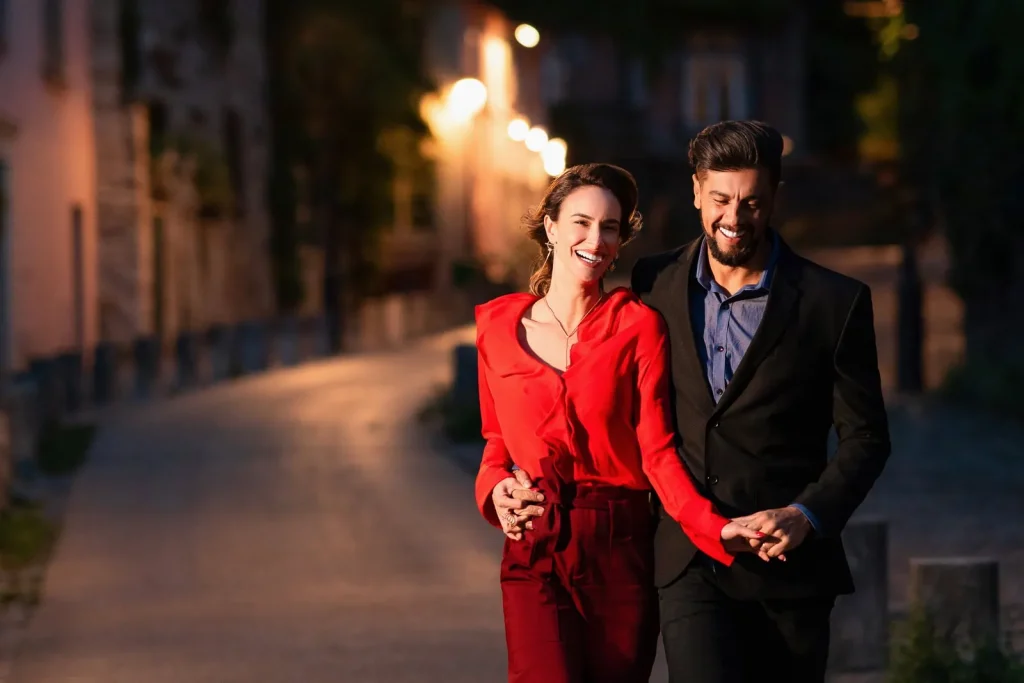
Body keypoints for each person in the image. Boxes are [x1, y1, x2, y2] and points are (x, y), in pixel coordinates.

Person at [473, 163, 771, 683]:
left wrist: (714, 528)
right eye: (581, 223)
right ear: (551, 228)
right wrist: (494, 489)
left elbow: (656, 453)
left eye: (610, 228)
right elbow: (497, 441)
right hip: (535, 546)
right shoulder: (497, 328)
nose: (596, 239)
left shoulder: (638, 327)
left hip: (620, 548)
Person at [630, 120, 892, 683]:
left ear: (773, 197)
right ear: (696, 191)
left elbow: (867, 437)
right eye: (720, 198)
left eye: (751, 201)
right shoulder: (651, 284)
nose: (734, 216)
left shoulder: (835, 302)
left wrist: (807, 514)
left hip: (789, 566)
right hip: (689, 560)